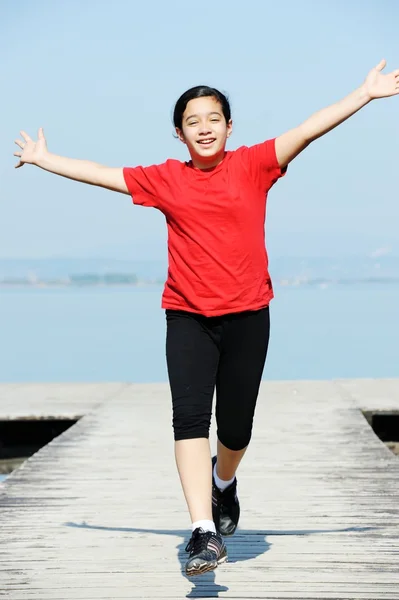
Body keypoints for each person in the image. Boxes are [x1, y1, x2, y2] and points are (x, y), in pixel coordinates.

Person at [14, 59, 399, 577]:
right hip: (187, 318)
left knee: (236, 429)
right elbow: (102, 175)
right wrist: (44, 159)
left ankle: (224, 482)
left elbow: (309, 128)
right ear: (179, 132)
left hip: (248, 316)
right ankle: (203, 531)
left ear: (229, 126)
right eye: (193, 121)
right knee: (189, 420)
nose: (204, 127)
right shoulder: (165, 180)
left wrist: (365, 94)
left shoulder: (255, 164)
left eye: (213, 118)